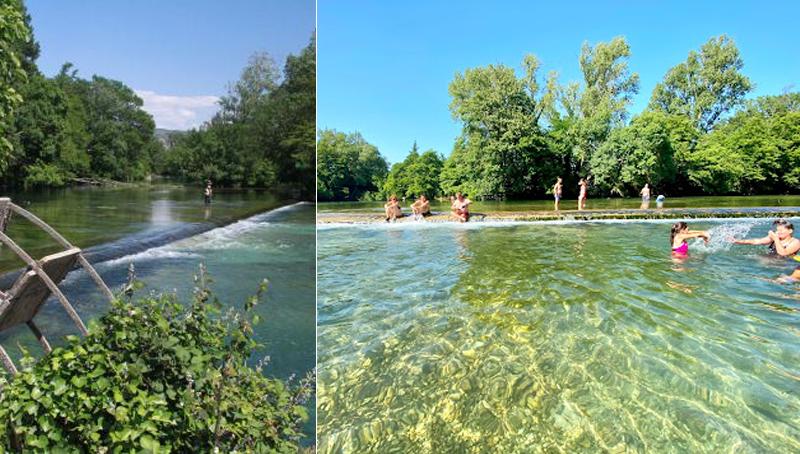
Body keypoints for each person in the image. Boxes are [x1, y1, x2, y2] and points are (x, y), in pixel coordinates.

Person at [732, 219, 800, 257]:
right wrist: (737, 241)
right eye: (777, 230)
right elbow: (756, 241)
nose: (778, 232)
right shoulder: (775, 237)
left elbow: (783, 253)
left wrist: (775, 239)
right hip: (767, 260)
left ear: (790, 231)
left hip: (782, 265)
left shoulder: (795, 242)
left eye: (781, 230)